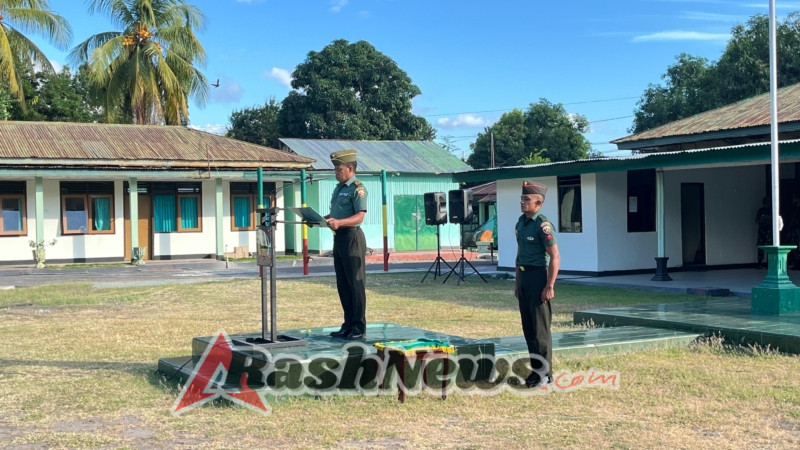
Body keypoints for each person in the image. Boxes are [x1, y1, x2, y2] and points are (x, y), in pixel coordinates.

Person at [515, 181, 560, 388]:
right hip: (524, 277)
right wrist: (517, 283)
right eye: (522, 198)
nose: (522, 202)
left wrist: (549, 285)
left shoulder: (543, 225)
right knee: (529, 329)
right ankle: (535, 372)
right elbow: (519, 254)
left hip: (538, 277)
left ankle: (546, 375)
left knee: (541, 330)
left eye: (527, 199)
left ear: (538, 203)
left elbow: (554, 256)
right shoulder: (521, 223)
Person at [326, 149, 368, 340]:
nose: (335, 171)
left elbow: (360, 216)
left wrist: (340, 223)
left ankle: (358, 327)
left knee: (355, 284)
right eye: (335, 168)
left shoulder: (357, 188)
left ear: (350, 168)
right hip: (339, 237)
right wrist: (321, 220)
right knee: (343, 284)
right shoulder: (338, 188)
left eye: (338, 168)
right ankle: (347, 324)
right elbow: (337, 215)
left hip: (352, 238)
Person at [755, 197, 772, 269]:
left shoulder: (772, 211)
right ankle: (760, 262)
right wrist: (762, 219)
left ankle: (769, 263)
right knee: (760, 246)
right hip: (762, 230)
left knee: (770, 247)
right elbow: (757, 221)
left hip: (769, 231)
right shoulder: (761, 211)